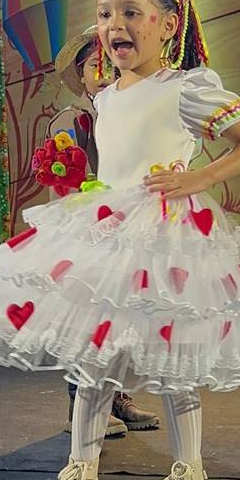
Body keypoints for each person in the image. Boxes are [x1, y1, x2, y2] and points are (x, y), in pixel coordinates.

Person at [0, 0, 240, 480]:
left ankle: (188, 475)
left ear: (167, 23)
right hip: (110, 230)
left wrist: (197, 179)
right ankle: (81, 472)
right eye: (105, 14)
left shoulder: (188, 87)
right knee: (94, 358)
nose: (114, 24)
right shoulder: (105, 97)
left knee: (175, 361)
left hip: (167, 234)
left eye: (130, 12)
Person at [50, 26, 160, 436]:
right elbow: (59, 178)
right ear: (81, 75)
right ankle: (80, 406)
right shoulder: (74, 120)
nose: (103, 71)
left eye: (107, 63)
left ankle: (114, 397)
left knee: (119, 322)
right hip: (88, 230)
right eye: (94, 65)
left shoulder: (132, 113)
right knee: (88, 321)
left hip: (129, 227)